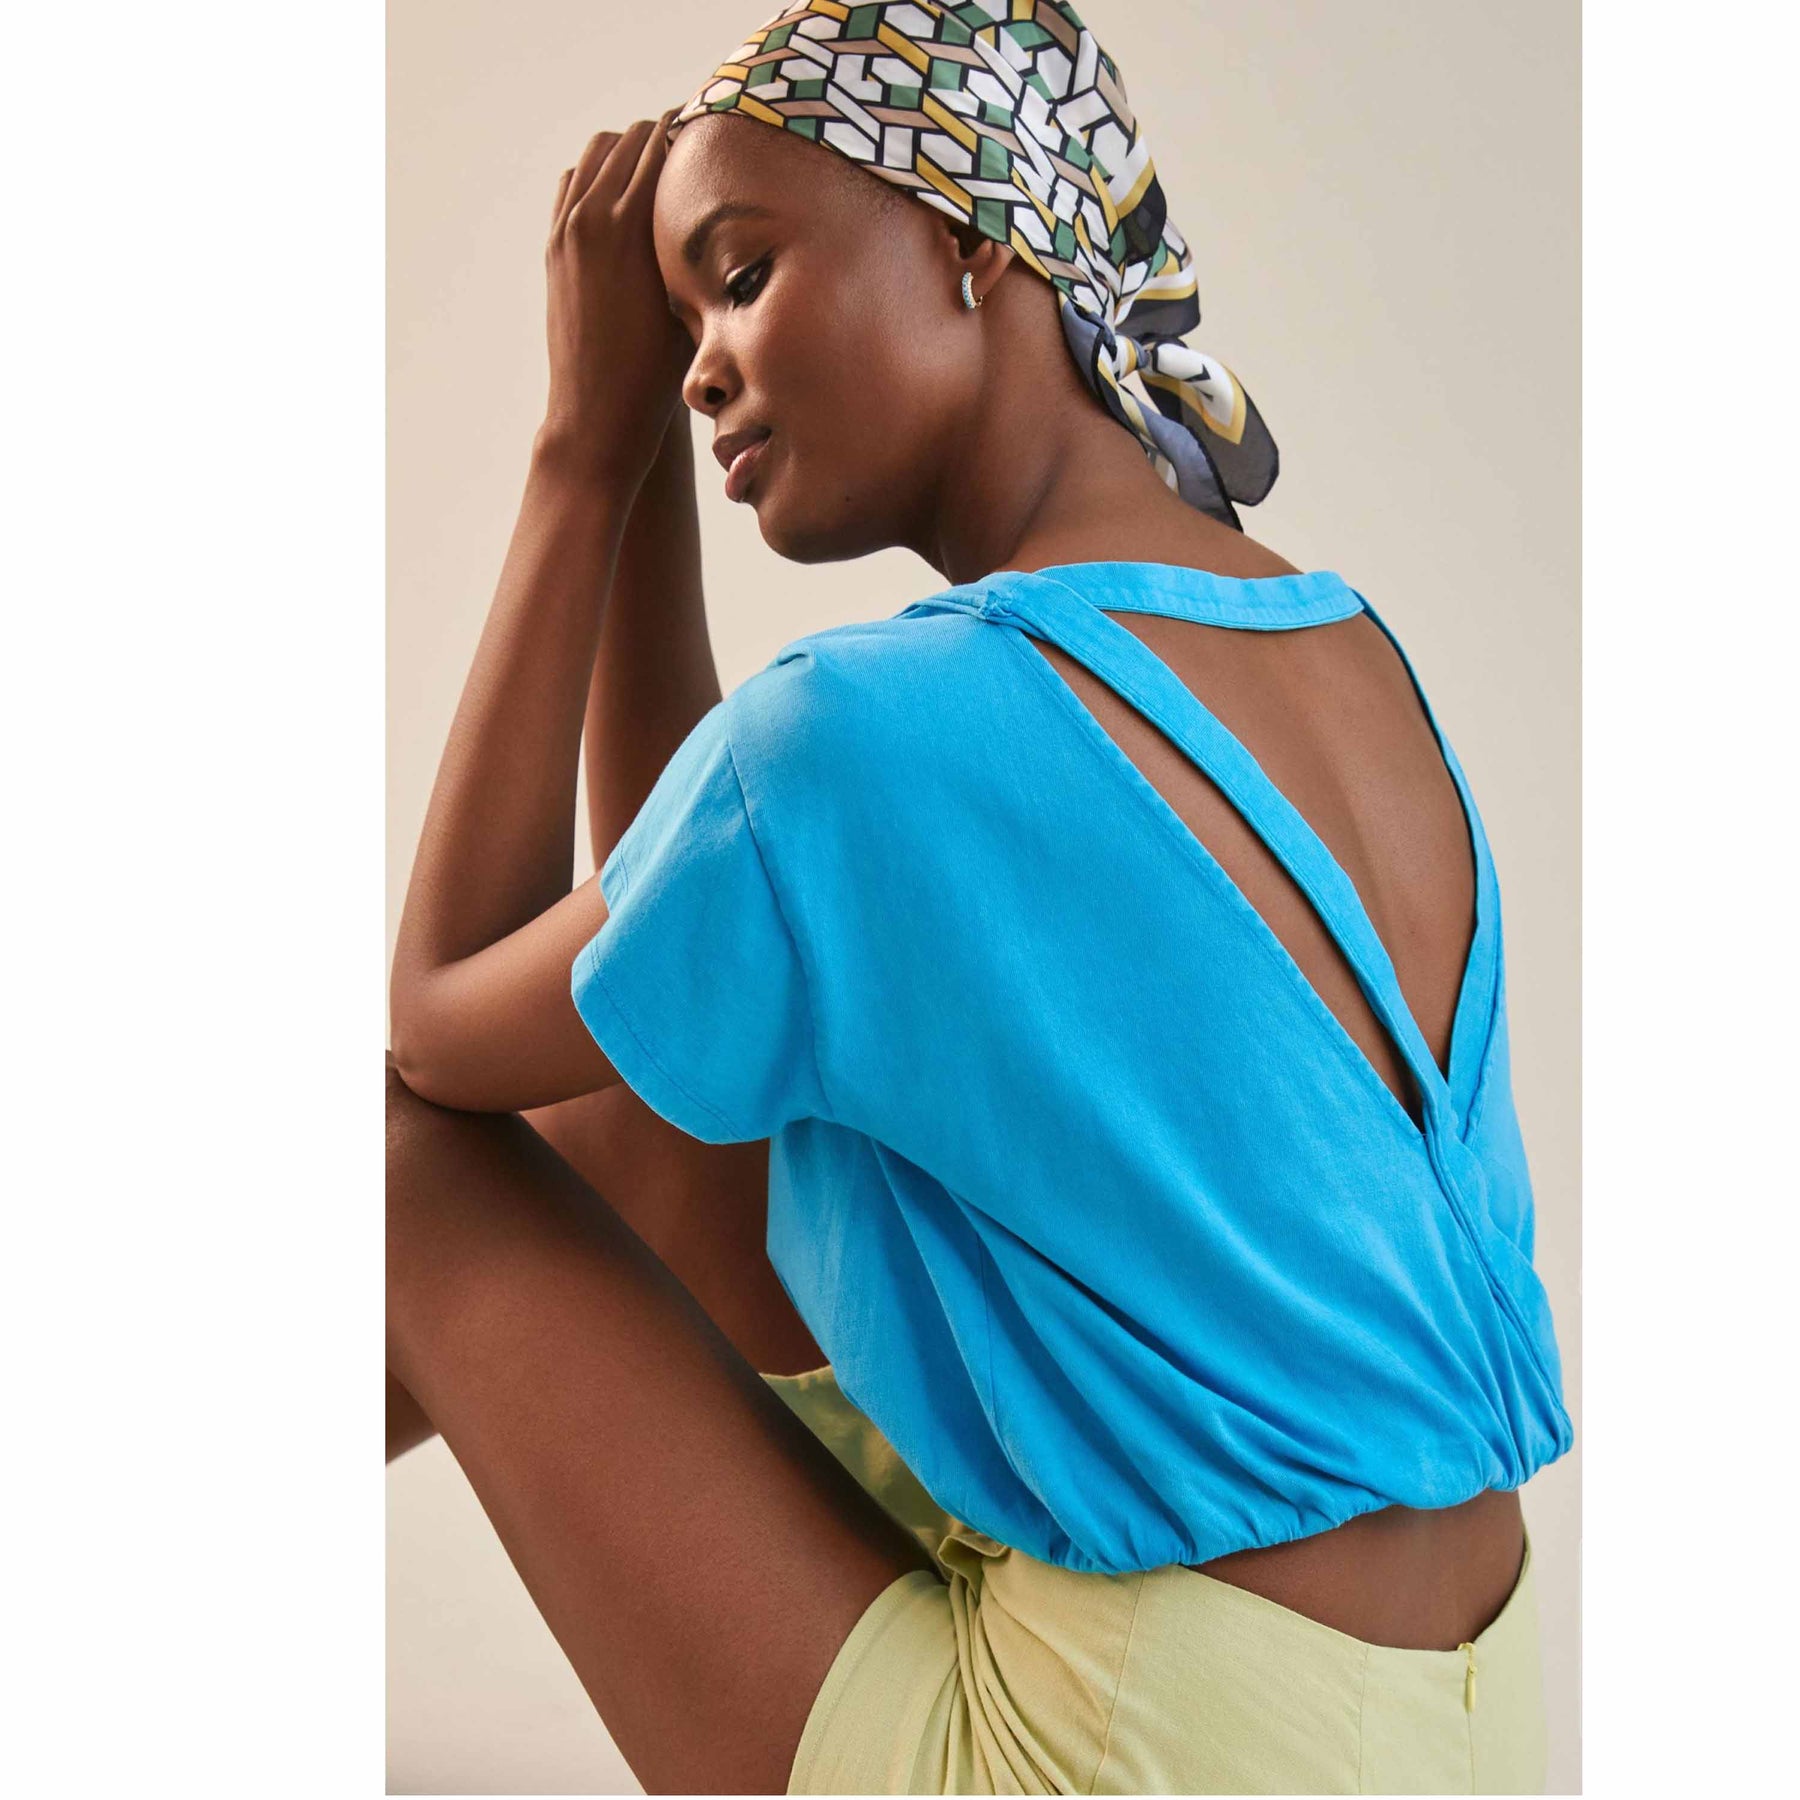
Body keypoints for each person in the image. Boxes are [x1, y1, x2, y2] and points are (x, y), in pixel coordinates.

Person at [387, 3, 1573, 1791]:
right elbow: (679, 979)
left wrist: (579, 453)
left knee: (400, 1167)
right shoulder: (1350, 651)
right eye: (680, 331)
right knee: (669, 1090)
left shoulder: (863, 731)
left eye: (742, 276)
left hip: (1149, 1741)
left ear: (969, 241)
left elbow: (439, 1031)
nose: (698, 369)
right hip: (1471, 1719)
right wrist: (649, 472)